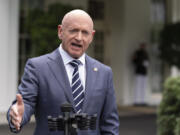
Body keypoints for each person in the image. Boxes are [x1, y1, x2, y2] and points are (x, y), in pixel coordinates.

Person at [7, 9, 119, 135]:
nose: (79, 37)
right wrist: (17, 115)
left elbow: (110, 124)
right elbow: (25, 103)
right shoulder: (37, 67)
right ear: (60, 32)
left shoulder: (104, 73)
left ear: (92, 37)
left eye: (85, 33)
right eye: (73, 30)